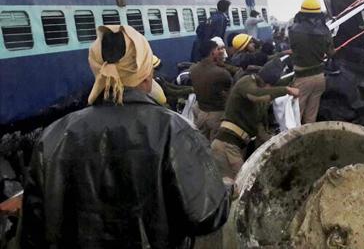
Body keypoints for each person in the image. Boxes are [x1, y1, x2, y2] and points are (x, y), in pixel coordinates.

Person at [21, 25, 230, 248]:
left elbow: (32, 232)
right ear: (145, 73)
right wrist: (223, 189)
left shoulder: (53, 136)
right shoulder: (173, 129)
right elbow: (207, 216)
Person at [211, 59, 299, 183]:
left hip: (236, 146)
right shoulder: (246, 83)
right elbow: (257, 95)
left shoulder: (256, 106)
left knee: (241, 184)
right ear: (265, 82)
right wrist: (286, 90)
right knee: (239, 186)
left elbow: (259, 130)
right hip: (226, 145)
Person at [288, 0, 335, 124]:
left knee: (295, 117)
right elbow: (331, 53)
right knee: (311, 116)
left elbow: (294, 48)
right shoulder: (324, 31)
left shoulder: (293, 30)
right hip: (320, 78)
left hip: (302, 79)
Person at [190, 39, 234, 141]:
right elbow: (230, 95)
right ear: (213, 52)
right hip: (217, 115)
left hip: (201, 114)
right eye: (218, 50)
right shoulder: (221, 73)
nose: (221, 52)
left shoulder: (193, 69)